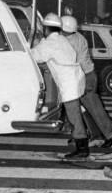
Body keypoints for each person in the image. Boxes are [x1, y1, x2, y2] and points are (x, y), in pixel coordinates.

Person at [30, 13, 86, 159]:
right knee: (77, 113)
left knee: (74, 116)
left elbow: (34, 56)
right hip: (75, 78)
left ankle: (82, 149)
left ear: (45, 28)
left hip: (69, 84)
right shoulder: (61, 39)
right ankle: (80, 140)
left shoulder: (50, 43)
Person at [60, 15, 112, 149]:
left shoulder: (68, 42)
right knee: (84, 109)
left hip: (82, 76)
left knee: (93, 108)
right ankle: (95, 135)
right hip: (88, 74)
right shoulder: (79, 36)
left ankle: (109, 134)